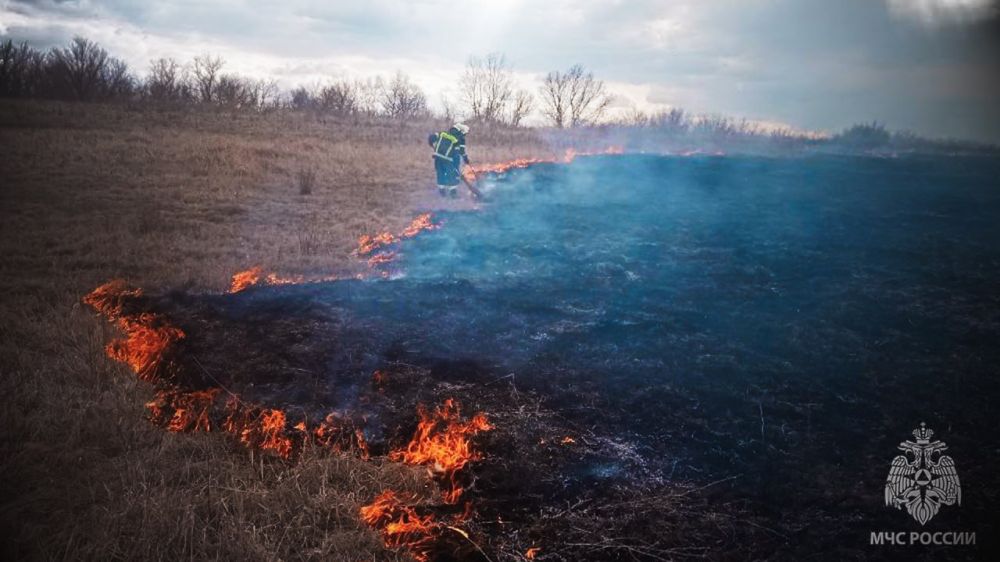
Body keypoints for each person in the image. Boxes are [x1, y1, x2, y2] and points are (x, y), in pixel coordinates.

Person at [428, 123, 471, 198]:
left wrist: (433, 146)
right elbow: (459, 152)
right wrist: (462, 161)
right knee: (452, 175)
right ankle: (453, 193)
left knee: (440, 173)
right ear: (461, 131)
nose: (464, 135)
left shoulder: (442, 134)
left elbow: (431, 138)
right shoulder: (459, 139)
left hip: (437, 157)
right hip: (448, 159)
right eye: (464, 133)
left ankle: (442, 191)